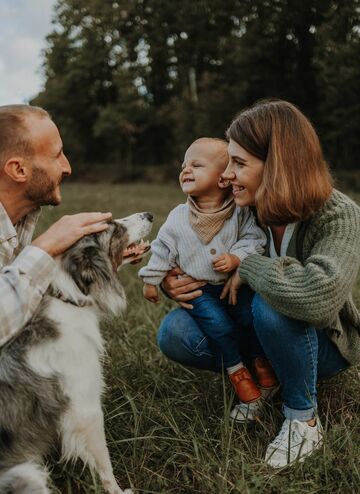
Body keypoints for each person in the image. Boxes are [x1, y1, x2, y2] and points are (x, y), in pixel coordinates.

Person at [156, 100, 360, 468]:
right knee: (175, 332)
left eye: (239, 163)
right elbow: (197, 246)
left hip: (321, 344)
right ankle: (266, 377)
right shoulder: (245, 207)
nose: (227, 175)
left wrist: (249, 264)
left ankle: (303, 418)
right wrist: (174, 279)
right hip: (256, 333)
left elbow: (317, 297)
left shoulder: (338, 214)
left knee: (271, 302)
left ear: (278, 165)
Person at [139, 137, 277, 404]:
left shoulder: (239, 212)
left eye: (196, 165)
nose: (185, 170)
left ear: (223, 179)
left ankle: (263, 364)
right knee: (218, 325)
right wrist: (151, 280)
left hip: (237, 286)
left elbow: (254, 239)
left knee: (251, 318)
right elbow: (161, 249)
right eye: (183, 165)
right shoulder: (178, 217)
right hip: (201, 291)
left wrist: (237, 257)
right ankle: (238, 373)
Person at [0, 104, 112, 348]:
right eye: (57, 155)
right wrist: (43, 249)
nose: (68, 167)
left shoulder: (17, 220)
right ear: (18, 169)